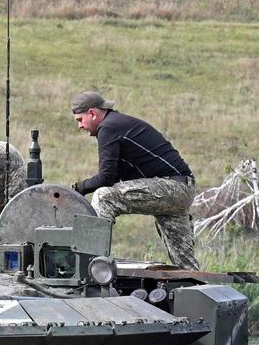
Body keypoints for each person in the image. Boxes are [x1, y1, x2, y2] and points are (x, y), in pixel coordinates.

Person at [70, 91, 201, 270]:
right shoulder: (118, 124)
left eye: (80, 120)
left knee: (104, 197)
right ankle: (193, 286)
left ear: (92, 113)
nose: (79, 126)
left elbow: (106, 178)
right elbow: (114, 176)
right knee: (186, 266)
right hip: (182, 189)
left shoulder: (108, 127)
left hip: (170, 187)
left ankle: (91, 266)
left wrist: (78, 188)